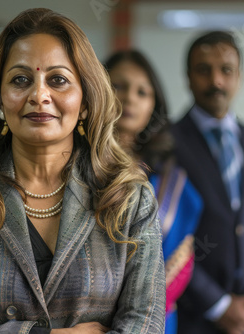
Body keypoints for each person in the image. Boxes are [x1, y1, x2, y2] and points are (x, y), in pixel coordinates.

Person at [0, 8, 165, 334]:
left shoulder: (129, 200)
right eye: (20, 80)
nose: (39, 95)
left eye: (58, 80)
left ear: (84, 100)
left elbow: (147, 324)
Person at [171, 31, 244, 334]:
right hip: (195, 318)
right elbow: (165, 240)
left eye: (226, 70)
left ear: (239, 76)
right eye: (203, 70)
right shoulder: (167, 143)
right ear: (187, 77)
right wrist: (219, 305)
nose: (216, 81)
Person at [104, 50, 203, 334]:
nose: (130, 98)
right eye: (119, 86)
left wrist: (141, 312)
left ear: (153, 107)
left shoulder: (171, 180)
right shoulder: (73, 165)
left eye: (142, 92)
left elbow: (181, 261)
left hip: (151, 316)